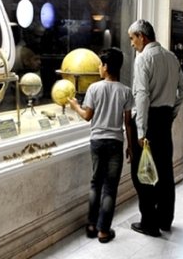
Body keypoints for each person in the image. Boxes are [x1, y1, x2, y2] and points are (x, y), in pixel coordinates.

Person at [126, 20, 183, 237]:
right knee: (165, 171)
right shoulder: (171, 57)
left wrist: (141, 131)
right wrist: (171, 112)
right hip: (164, 120)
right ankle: (165, 219)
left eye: (132, 38)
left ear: (142, 37)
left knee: (142, 173)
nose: (131, 43)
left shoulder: (143, 59)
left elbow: (142, 96)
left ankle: (149, 223)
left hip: (149, 119)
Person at [68, 48, 134, 244]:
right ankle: (104, 231)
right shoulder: (126, 91)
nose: (98, 67)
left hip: (97, 142)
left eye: (100, 64)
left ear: (105, 67)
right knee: (110, 188)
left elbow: (87, 116)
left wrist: (75, 106)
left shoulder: (94, 89)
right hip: (115, 142)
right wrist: (130, 146)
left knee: (96, 183)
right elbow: (128, 123)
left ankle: (91, 225)